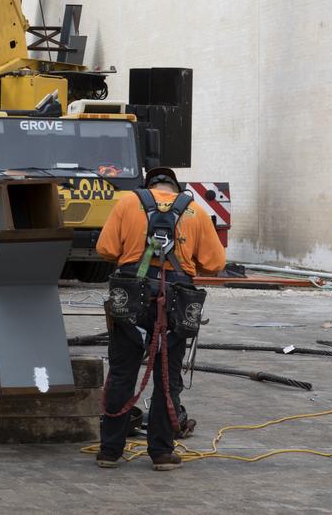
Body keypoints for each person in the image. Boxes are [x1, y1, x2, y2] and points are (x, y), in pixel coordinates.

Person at [94, 166, 226, 471]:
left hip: (130, 297)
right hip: (177, 301)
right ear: (174, 189)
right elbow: (215, 263)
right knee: (168, 377)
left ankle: (109, 452)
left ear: (148, 186)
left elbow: (106, 249)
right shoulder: (193, 210)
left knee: (122, 373)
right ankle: (162, 453)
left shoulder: (128, 202)